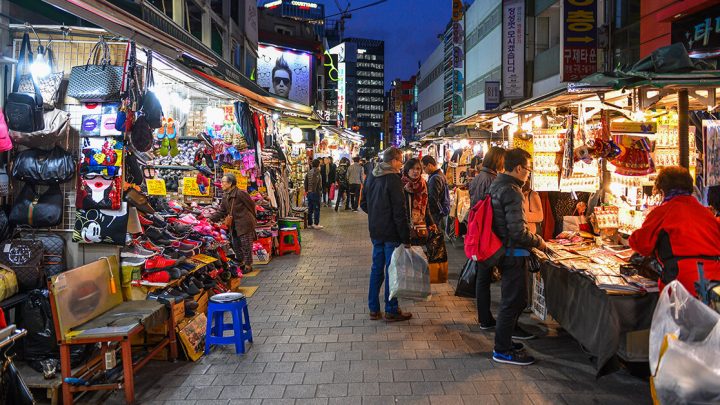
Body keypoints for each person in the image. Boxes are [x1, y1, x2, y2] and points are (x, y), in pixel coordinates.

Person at [488, 148, 547, 366]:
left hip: (505, 251)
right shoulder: (512, 190)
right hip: (513, 252)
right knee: (512, 301)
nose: (529, 174)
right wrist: (539, 241)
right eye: (529, 170)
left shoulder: (497, 184)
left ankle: (505, 342)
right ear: (519, 168)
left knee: (514, 299)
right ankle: (501, 349)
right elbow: (517, 231)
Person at [629, 166, 720, 295]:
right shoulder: (706, 213)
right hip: (715, 282)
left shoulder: (662, 212)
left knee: (678, 315)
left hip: (682, 283)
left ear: (662, 190)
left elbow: (640, 244)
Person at [360, 147, 413, 322]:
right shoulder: (393, 179)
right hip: (391, 233)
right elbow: (400, 211)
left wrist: (376, 216)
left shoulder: (372, 176)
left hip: (376, 231)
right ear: (393, 161)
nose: (401, 165)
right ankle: (391, 309)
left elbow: (363, 204)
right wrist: (406, 237)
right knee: (392, 271)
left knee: (376, 269)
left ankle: (373, 309)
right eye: (400, 161)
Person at [467, 146, 505, 330]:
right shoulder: (492, 180)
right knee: (487, 277)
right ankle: (486, 318)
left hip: (478, 231)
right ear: (498, 161)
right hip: (488, 233)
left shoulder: (477, 178)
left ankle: (484, 317)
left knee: (482, 278)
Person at [211, 173, 257, 273]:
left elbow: (252, 205)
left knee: (246, 245)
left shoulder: (240, 193)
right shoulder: (225, 196)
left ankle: (248, 265)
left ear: (230, 183)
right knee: (236, 245)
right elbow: (222, 211)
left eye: (223, 182)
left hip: (245, 223)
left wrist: (252, 218)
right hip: (234, 224)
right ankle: (242, 263)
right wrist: (210, 219)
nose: (221, 184)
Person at [401, 158, 436, 244]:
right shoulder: (401, 184)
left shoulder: (423, 184)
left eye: (418, 169)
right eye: (412, 169)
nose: (415, 171)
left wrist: (432, 223)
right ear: (407, 170)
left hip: (420, 226)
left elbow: (426, 207)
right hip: (405, 225)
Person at [421, 155, 449, 228]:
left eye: (424, 168)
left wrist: (429, 214)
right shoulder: (440, 174)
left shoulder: (435, 178)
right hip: (441, 211)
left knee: (435, 235)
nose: (423, 171)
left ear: (429, 165)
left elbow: (432, 198)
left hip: (436, 214)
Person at [304, 158, 323, 229]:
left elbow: (305, 182)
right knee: (316, 209)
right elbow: (315, 182)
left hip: (309, 193)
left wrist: (307, 190)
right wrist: (315, 191)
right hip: (315, 193)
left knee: (310, 208)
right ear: (318, 165)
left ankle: (310, 223)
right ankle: (316, 224)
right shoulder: (317, 172)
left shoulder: (309, 172)